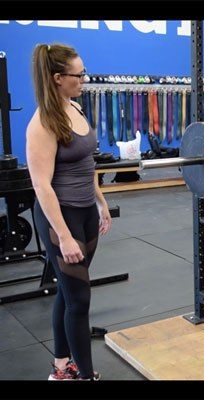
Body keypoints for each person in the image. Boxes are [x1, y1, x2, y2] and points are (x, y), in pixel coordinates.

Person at [26, 43, 111, 380]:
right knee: (79, 300)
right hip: (60, 217)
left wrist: (101, 201)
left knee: (67, 289)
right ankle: (85, 376)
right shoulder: (42, 124)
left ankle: (62, 367)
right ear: (58, 78)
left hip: (86, 211)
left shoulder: (75, 108)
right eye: (79, 75)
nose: (84, 79)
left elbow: (88, 162)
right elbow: (41, 186)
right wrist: (64, 236)